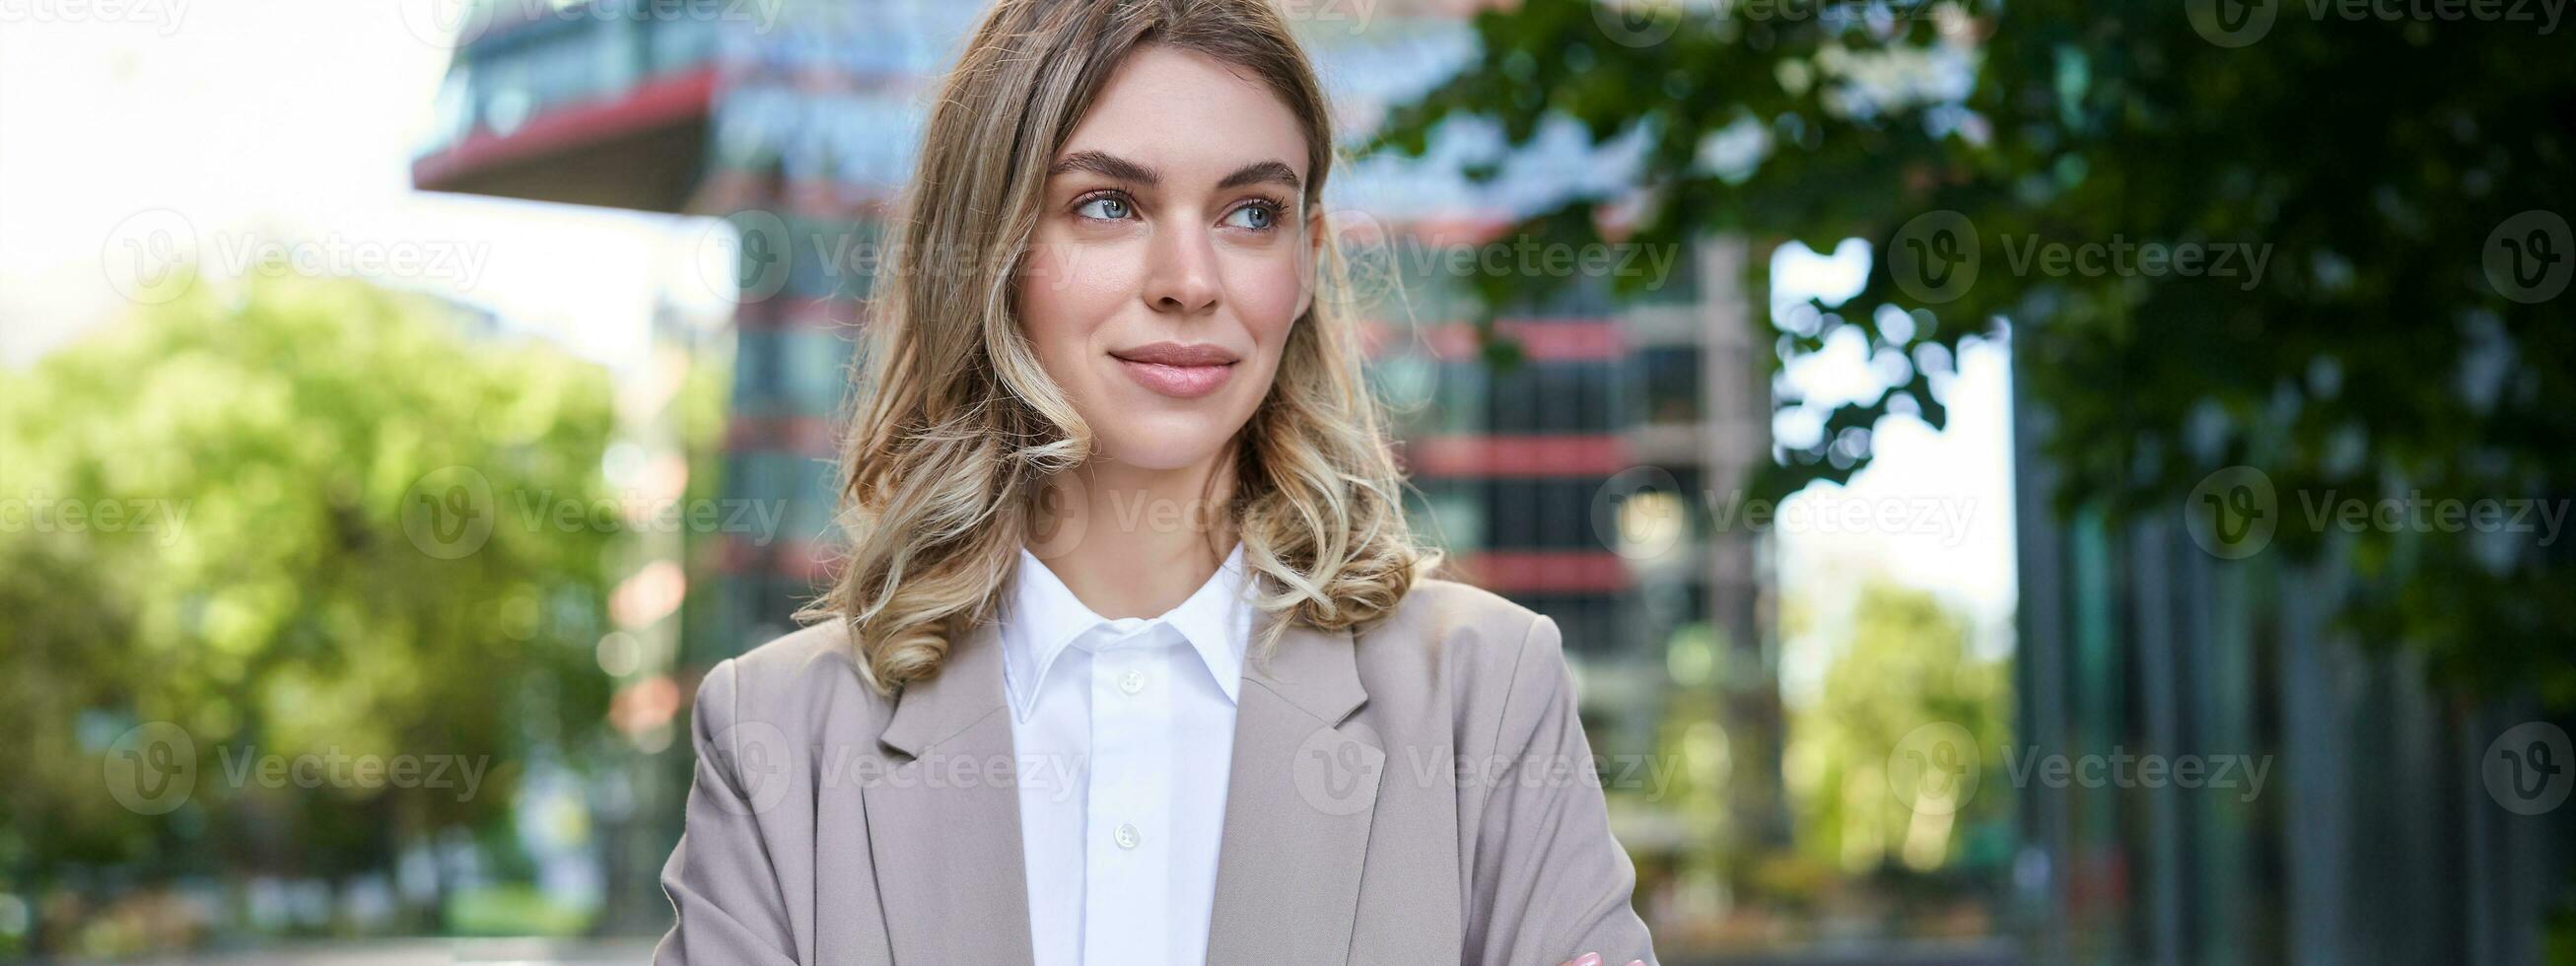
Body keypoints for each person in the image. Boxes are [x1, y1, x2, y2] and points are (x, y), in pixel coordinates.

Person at [652, 1, 1656, 963]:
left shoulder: (1484, 691)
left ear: (1305, 260)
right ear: (988, 248)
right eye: (1108, 204)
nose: (1191, 278)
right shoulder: (778, 735)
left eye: (1251, 212)